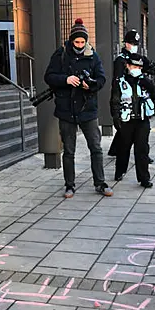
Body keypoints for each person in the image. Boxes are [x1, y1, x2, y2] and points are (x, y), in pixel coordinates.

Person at [44, 18, 113, 198]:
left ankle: (100, 182)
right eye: (77, 42)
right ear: (71, 40)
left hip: (88, 109)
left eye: (83, 42)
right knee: (69, 150)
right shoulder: (60, 54)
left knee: (96, 147)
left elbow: (102, 79)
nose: (80, 45)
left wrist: (89, 85)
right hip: (66, 110)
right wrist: (66, 79)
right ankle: (69, 185)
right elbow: (49, 76)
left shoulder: (93, 55)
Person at [110, 53, 155, 188]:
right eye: (133, 65)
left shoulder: (145, 80)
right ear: (127, 66)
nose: (135, 68)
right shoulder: (120, 81)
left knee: (142, 150)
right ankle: (120, 171)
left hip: (142, 120)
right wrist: (115, 117)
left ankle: (144, 178)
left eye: (138, 66)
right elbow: (115, 100)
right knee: (123, 148)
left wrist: (147, 84)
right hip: (127, 120)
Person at [108, 29, 155, 159]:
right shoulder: (120, 60)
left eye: (135, 44)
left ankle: (121, 150)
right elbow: (117, 80)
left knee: (138, 129)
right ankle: (119, 151)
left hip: (139, 94)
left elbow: (149, 69)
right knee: (125, 126)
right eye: (131, 43)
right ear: (126, 44)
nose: (133, 46)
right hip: (126, 94)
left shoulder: (138, 58)